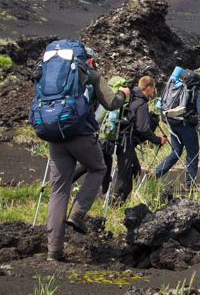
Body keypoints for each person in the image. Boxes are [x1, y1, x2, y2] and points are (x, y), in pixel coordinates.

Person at [43, 48, 129, 262]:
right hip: (81, 134)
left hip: (55, 134)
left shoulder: (52, 74)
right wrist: (123, 95)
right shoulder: (91, 73)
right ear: (90, 59)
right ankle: (78, 213)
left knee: (58, 191)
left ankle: (54, 251)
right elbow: (111, 103)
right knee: (98, 168)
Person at [153, 67, 200, 190]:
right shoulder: (198, 90)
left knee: (176, 152)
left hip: (173, 123)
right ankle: (190, 184)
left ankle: (155, 173)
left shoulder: (180, 86)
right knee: (192, 153)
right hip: (186, 126)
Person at [110, 75, 167, 204]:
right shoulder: (141, 104)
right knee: (127, 172)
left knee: (134, 169)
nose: (153, 92)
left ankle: (121, 200)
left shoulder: (131, 98)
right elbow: (143, 129)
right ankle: (116, 202)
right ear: (148, 88)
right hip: (126, 142)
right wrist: (158, 140)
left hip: (121, 139)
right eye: (153, 89)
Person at [72, 75, 129, 194]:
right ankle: (104, 193)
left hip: (98, 136)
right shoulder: (115, 100)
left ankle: (105, 193)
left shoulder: (104, 94)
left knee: (104, 165)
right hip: (105, 138)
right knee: (93, 166)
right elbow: (111, 121)